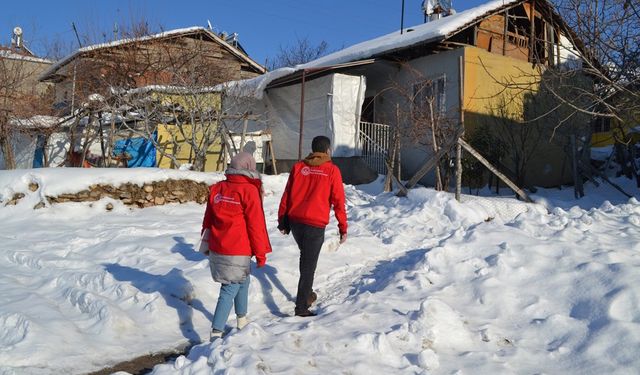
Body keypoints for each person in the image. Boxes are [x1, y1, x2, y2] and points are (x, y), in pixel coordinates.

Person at [201, 151, 271, 340]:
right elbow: (256, 225)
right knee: (230, 286)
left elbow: (207, 219)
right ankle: (216, 332)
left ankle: (242, 320)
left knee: (243, 280)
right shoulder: (249, 190)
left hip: (219, 245)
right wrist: (261, 252)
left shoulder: (218, 188)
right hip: (238, 247)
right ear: (249, 168)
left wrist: (206, 241)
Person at [278, 135, 348, 317]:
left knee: (306, 260)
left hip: (296, 222)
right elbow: (339, 201)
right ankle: (302, 307)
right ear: (327, 151)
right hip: (314, 225)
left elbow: (287, 195)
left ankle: (307, 295)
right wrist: (343, 227)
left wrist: (283, 220)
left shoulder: (299, 167)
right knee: (308, 265)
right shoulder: (331, 170)